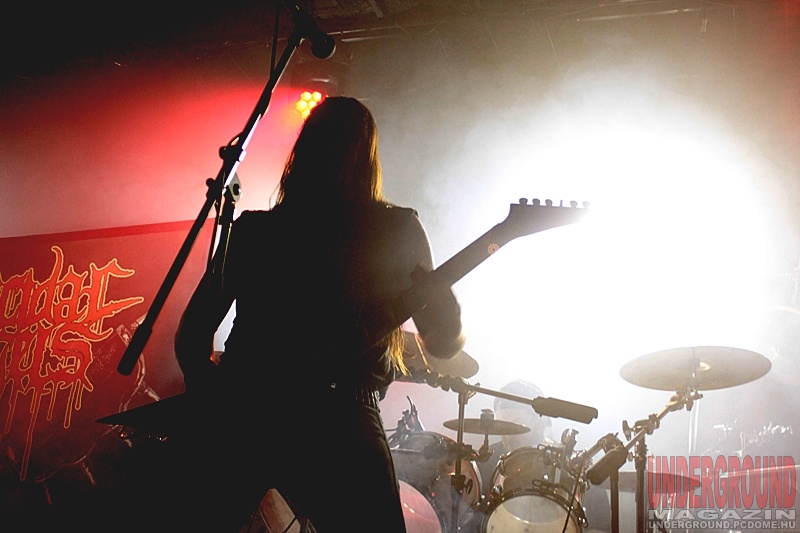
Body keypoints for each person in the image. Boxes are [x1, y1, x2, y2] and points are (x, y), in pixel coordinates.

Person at [89, 96, 466, 533]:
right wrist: (447, 307)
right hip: (341, 418)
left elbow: (191, 337)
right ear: (368, 158)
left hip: (245, 411)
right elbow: (443, 343)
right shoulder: (396, 230)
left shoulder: (254, 231)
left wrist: (218, 407)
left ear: (302, 152)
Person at [476, 379, 611, 533]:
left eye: (517, 423)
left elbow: (599, 526)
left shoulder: (571, 465)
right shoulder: (488, 461)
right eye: (503, 425)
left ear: (541, 421)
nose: (509, 435)